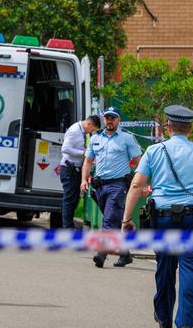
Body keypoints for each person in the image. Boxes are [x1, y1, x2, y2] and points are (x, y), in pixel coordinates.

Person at [122, 105, 193, 328]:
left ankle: (164, 318)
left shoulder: (154, 151)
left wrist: (126, 220)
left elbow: (137, 184)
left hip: (163, 218)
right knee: (189, 270)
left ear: (168, 127)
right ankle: (184, 324)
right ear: (191, 128)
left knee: (165, 268)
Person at [81, 106, 141, 268]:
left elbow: (139, 163)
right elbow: (87, 161)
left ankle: (102, 253)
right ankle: (124, 254)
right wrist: (84, 180)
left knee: (108, 221)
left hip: (118, 185)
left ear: (118, 120)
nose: (110, 120)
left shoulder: (126, 138)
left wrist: (139, 183)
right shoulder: (96, 138)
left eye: (113, 118)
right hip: (100, 187)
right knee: (113, 220)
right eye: (107, 117)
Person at [60, 115, 101, 228]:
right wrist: (83, 152)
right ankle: (67, 229)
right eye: (92, 130)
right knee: (69, 201)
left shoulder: (81, 131)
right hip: (69, 169)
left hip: (76, 169)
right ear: (89, 124)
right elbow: (65, 148)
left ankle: (68, 226)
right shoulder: (74, 130)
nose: (91, 132)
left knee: (74, 200)